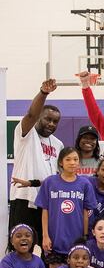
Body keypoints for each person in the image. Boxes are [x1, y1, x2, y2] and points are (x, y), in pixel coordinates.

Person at [9, 78, 62, 243]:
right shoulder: (26, 133)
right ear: (40, 117)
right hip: (24, 199)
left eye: (55, 121)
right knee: (21, 248)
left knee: (48, 248)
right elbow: (31, 114)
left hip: (47, 204)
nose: (51, 124)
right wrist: (43, 93)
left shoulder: (58, 144)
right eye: (48, 119)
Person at [35, 147, 98, 268]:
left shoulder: (84, 184)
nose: (72, 162)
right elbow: (45, 211)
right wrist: (45, 236)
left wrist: (85, 236)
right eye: (68, 159)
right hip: (55, 238)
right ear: (60, 162)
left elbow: (86, 212)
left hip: (76, 238)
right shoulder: (50, 182)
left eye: (75, 159)